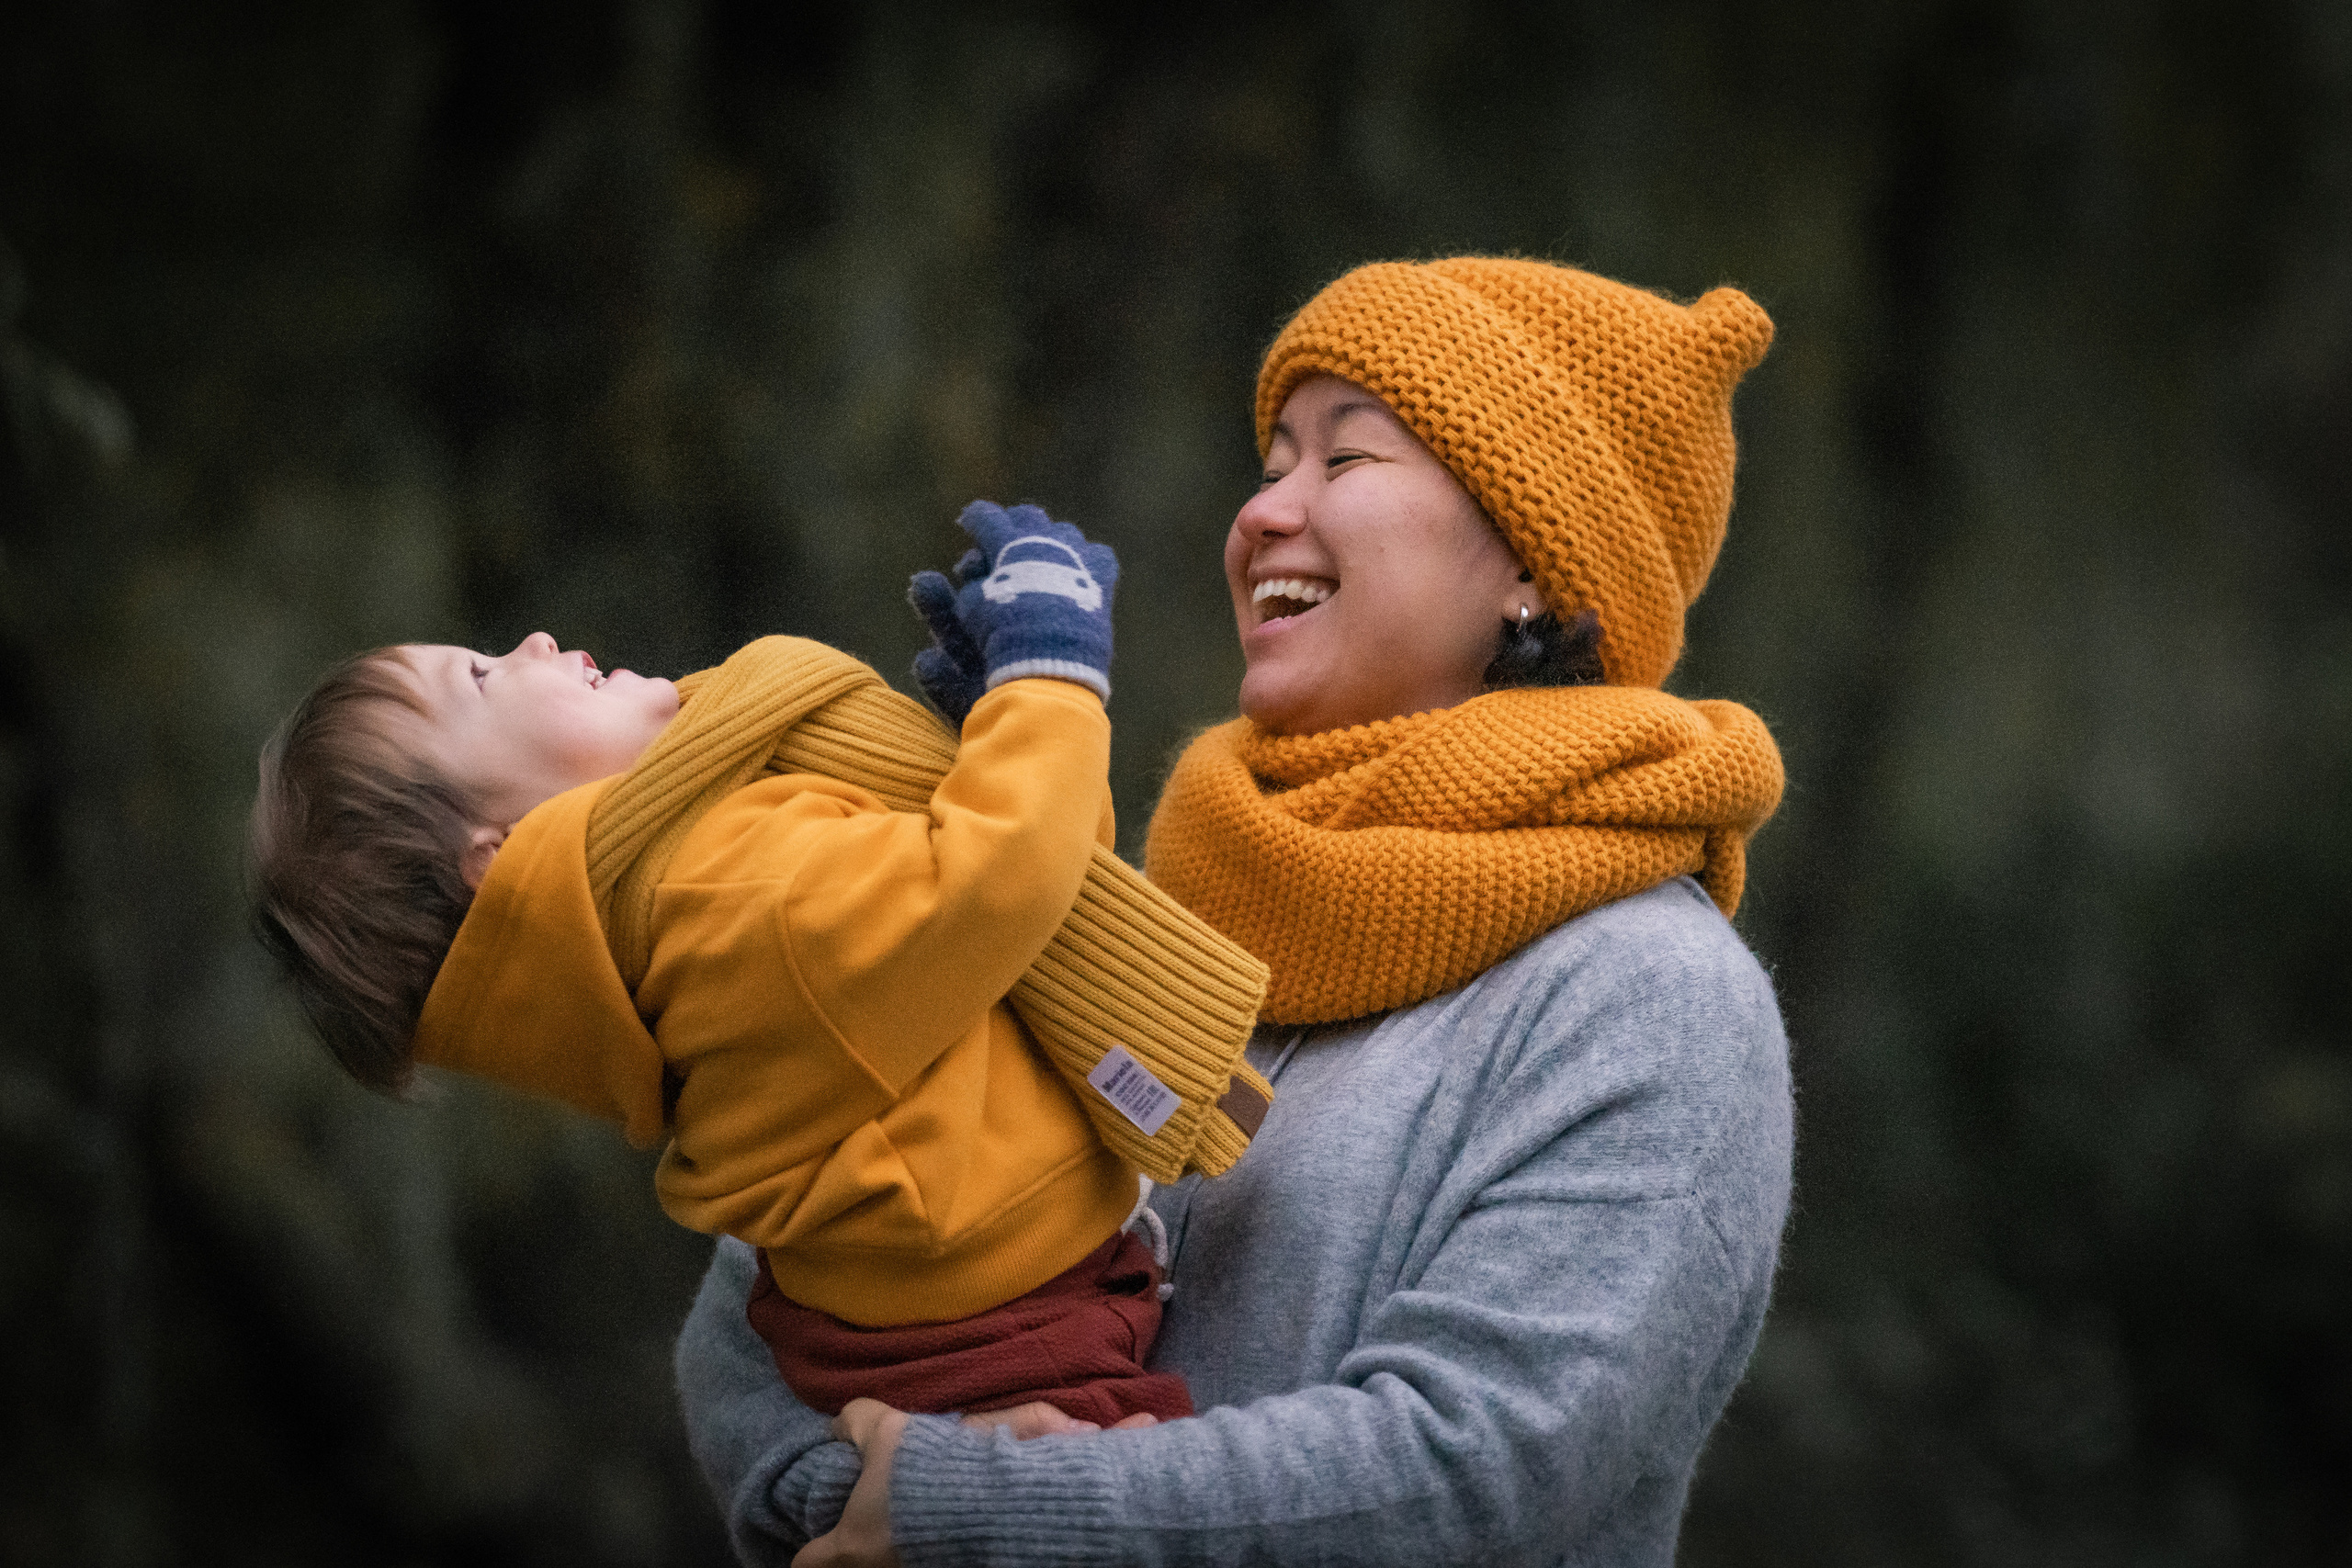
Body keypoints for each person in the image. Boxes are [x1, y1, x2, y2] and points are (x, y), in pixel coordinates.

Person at [673, 255, 1795, 1568]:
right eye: (1271, 464)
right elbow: (759, 1289)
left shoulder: (1648, 997)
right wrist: (855, 1505)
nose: (1266, 512)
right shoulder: (1126, 915)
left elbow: (1478, 1463)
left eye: (1348, 457)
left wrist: (975, 1510)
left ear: (1534, 569)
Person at [247, 502, 1276, 1430]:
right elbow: (999, 883)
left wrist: (985, 740)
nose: (529, 641)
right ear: (500, 856)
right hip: (1011, 1355)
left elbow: (1021, 933)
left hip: (980, 1310)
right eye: (477, 677)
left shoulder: (689, 890)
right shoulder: (723, 900)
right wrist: (1051, 675)